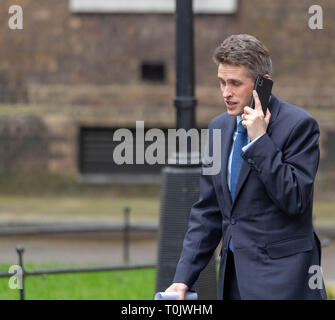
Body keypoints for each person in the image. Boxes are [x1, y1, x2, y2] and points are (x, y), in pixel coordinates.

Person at [165, 34, 327, 300]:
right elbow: (208, 211)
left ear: (262, 84)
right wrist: (182, 279)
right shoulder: (218, 127)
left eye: (235, 84)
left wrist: (260, 141)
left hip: (284, 282)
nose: (225, 92)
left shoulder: (299, 126)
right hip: (233, 281)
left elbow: (295, 199)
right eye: (221, 82)